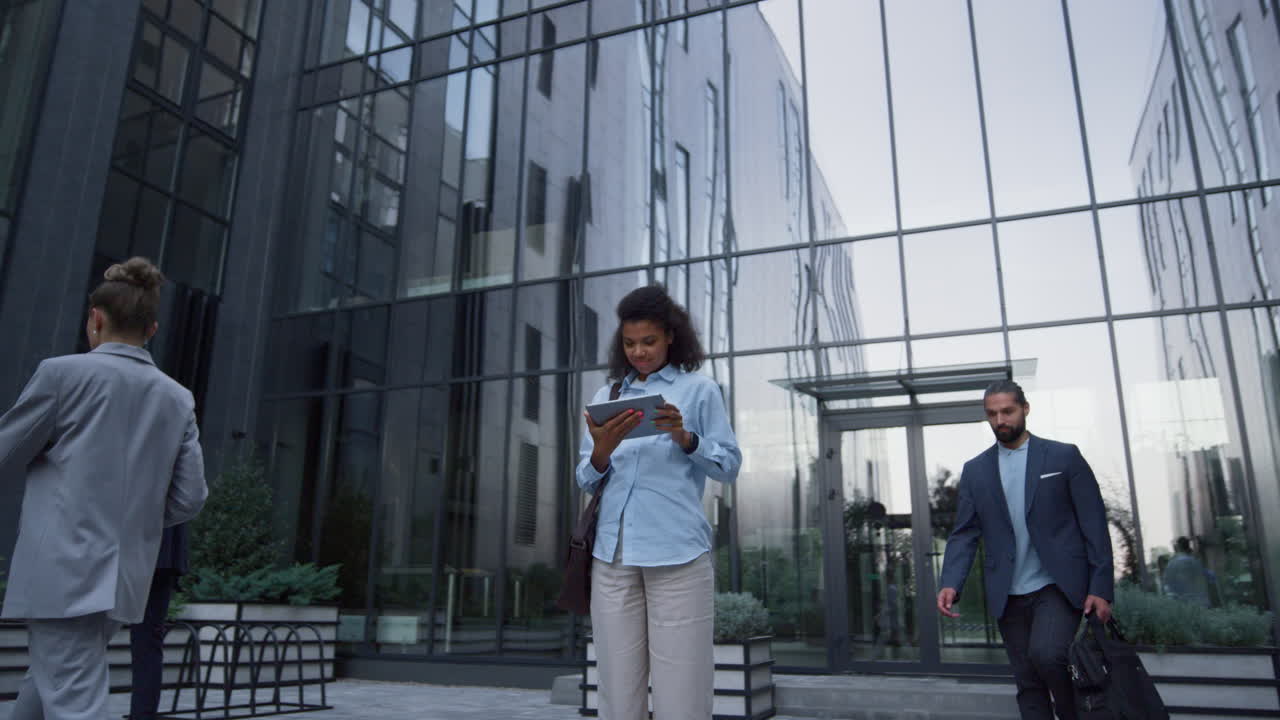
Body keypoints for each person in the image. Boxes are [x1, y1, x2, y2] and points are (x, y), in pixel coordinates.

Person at [1, 257, 208, 720]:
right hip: (123, 580)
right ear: (151, 328)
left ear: (95, 318)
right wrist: (134, 519)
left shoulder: (61, 374)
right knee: (47, 682)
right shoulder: (177, 397)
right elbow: (190, 497)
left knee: (72, 697)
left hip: (62, 571)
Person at [578, 284, 742, 720]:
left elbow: (728, 465)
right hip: (613, 558)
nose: (639, 352)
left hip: (678, 555)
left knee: (682, 691)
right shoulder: (604, 399)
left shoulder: (699, 391)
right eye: (630, 343)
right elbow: (586, 478)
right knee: (616, 688)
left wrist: (684, 437)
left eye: (648, 341)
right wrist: (601, 450)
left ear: (670, 335)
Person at [936, 380, 1113, 720]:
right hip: (1008, 592)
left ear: (1025, 408)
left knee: (1048, 655)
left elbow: (1093, 524)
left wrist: (1101, 588)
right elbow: (965, 532)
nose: (1000, 420)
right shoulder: (976, 470)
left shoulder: (1064, 457)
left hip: (1057, 585)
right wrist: (951, 583)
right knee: (1028, 680)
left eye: (1007, 411)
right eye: (992, 414)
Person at [130, 524, 189, 720]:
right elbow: (190, 498)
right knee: (148, 641)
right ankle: (142, 714)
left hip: (126, 548)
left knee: (79, 638)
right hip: (162, 554)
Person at [1162, 536, 1211, 608]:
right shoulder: (1195, 562)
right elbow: (1210, 577)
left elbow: (1167, 586)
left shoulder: (1172, 564)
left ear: (1178, 547)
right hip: (1202, 604)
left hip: (1185, 607)